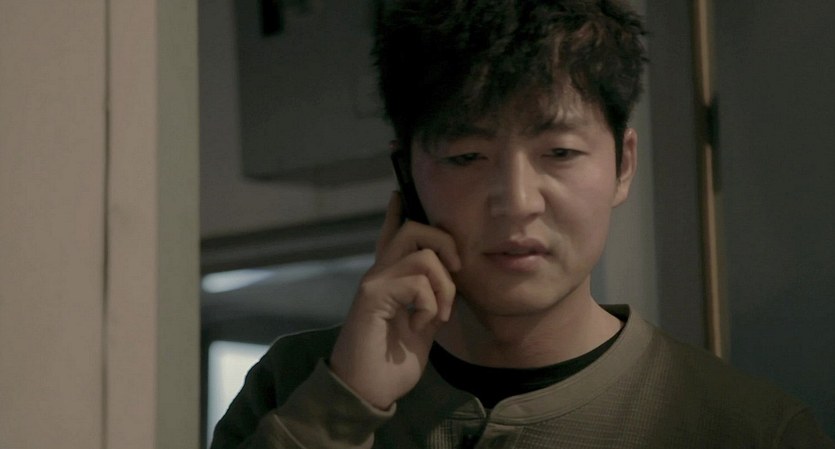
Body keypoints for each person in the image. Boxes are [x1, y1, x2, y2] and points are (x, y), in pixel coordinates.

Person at [210, 1, 834, 447]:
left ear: (623, 165)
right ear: (407, 176)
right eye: (466, 157)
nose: (516, 201)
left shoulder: (749, 428)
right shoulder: (298, 385)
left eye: (559, 152)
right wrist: (343, 407)